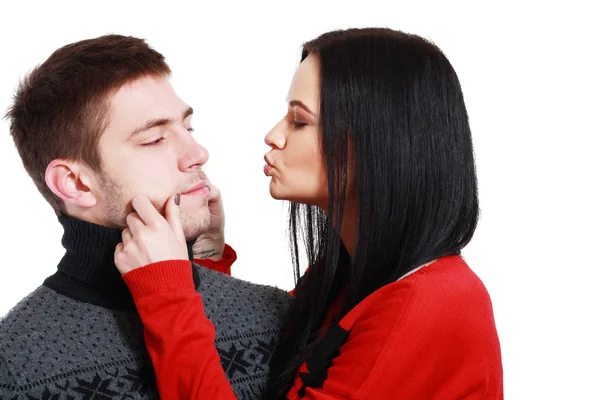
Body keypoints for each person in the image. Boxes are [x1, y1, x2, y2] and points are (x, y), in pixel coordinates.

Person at [115, 27, 504, 399]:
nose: (274, 135)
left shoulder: (432, 303)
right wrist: (209, 259)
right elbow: (251, 361)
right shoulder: (349, 280)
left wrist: (166, 292)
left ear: (376, 143)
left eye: (299, 121)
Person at [0, 34, 291, 399]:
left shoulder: (279, 318)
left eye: (188, 128)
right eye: (154, 139)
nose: (198, 153)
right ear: (74, 183)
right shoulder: (13, 366)